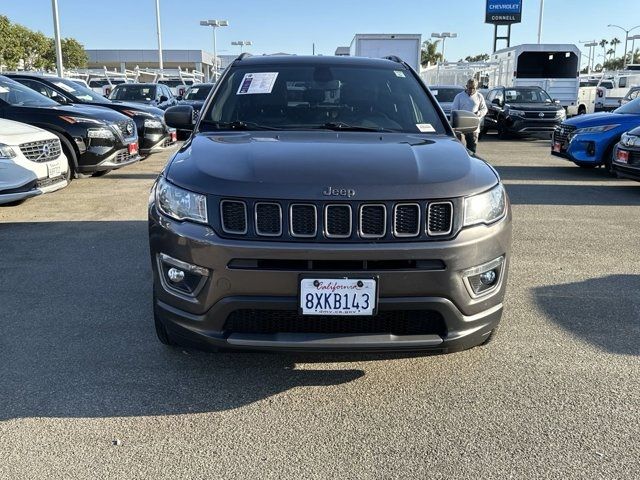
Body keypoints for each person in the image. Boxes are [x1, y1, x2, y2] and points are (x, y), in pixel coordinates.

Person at [451, 79, 487, 153]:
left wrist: (479, 113)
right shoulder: (459, 96)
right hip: (460, 126)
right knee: (459, 148)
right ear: (466, 86)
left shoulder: (479, 96)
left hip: (473, 127)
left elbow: (484, 109)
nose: (472, 90)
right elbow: (454, 110)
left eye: (474, 88)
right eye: (470, 88)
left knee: (472, 149)